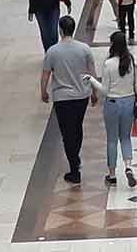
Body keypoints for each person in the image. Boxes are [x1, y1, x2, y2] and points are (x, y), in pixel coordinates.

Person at [41, 14, 94, 184]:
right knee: (77, 128)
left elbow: (46, 74)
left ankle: (74, 167)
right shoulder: (84, 49)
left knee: (66, 132)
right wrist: (94, 93)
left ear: (60, 30)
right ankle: (75, 157)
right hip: (81, 96)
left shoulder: (53, 51)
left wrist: (43, 91)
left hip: (62, 98)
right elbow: (91, 73)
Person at [87, 30, 137, 186]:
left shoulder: (109, 64)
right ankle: (129, 167)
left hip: (112, 104)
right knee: (125, 138)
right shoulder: (131, 61)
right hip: (129, 102)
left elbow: (104, 90)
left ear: (113, 45)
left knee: (112, 139)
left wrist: (92, 80)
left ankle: (112, 175)